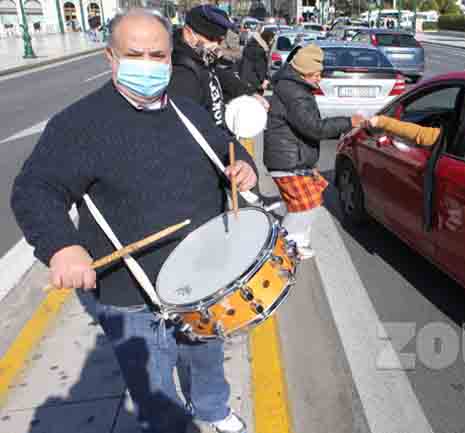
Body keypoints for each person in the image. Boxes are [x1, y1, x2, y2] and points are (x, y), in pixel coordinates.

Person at [10, 9, 257, 433]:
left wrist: (244, 166)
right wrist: (61, 246)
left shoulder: (186, 111)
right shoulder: (78, 125)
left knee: (206, 352)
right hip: (131, 290)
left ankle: (213, 408)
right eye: (134, 54)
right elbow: (34, 189)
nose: (147, 64)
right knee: (153, 381)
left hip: (202, 273)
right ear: (110, 57)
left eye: (157, 55)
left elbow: (226, 146)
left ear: (169, 57)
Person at [264, 44, 364, 259]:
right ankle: (281, 246)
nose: (319, 79)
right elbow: (314, 127)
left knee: (311, 199)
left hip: (292, 158)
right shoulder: (294, 92)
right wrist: (348, 122)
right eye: (315, 75)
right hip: (287, 161)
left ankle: (297, 241)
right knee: (306, 205)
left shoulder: (294, 86)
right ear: (302, 72)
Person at [167, 5, 261, 128]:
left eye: (219, 40)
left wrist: (248, 92)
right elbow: (189, 129)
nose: (215, 45)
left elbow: (216, 74)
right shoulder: (182, 73)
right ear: (188, 33)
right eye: (211, 38)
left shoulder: (199, 58)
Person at [240, 30, 274, 94]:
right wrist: (264, 81)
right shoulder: (260, 51)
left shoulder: (250, 45)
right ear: (268, 39)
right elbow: (260, 70)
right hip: (255, 83)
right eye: (272, 40)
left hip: (244, 79)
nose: (272, 42)